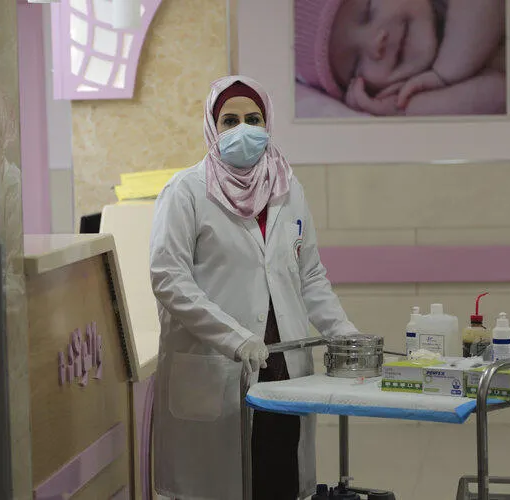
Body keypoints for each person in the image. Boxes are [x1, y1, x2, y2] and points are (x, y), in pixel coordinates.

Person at [149, 75, 358, 500]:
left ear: (268, 123)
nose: (242, 129)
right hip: (218, 366)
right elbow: (168, 277)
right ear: (212, 126)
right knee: (221, 484)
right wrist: (235, 337)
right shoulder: (186, 191)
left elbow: (310, 274)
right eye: (229, 120)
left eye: (253, 118)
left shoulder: (286, 188)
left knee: (277, 476)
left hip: (283, 367)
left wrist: (345, 336)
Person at [295, 0, 506, 117]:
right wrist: (404, 108)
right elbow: (502, 94)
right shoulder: (421, 89)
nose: (375, 42)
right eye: (355, 64)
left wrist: (444, 74)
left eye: (369, 11)